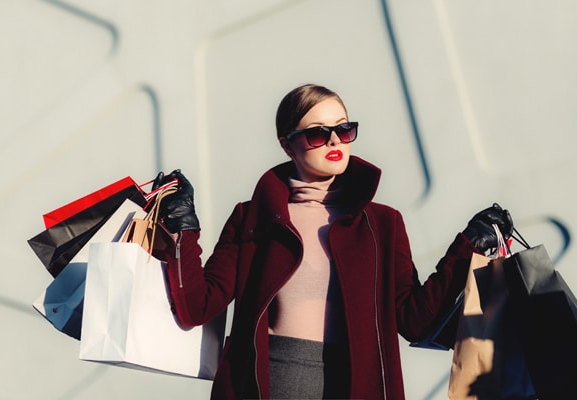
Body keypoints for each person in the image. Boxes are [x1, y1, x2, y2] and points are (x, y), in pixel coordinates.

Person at [152, 84, 513, 399]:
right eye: (317, 133)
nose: (335, 141)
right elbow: (197, 306)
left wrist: (468, 247)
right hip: (270, 383)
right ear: (287, 144)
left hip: (357, 385)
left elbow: (414, 320)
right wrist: (183, 227)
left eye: (344, 128)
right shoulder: (253, 218)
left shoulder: (383, 224)